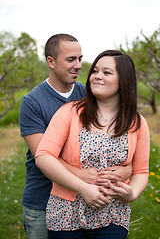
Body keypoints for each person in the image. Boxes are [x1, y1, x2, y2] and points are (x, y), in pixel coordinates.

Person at [19, 34, 131, 239]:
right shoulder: (32, 103)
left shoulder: (86, 93)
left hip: (83, 202)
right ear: (50, 62)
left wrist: (127, 169)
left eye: (80, 59)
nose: (78, 65)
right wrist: (84, 177)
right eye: (71, 59)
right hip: (42, 202)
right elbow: (42, 155)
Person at [35, 50, 150, 239]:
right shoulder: (70, 112)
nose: (97, 76)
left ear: (124, 81)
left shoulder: (136, 123)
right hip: (66, 215)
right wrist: (83, 188)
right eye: (95, 71)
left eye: (107, 72)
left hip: (113, 216)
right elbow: (44, 156)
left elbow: (141, 172)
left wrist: (132, 194)